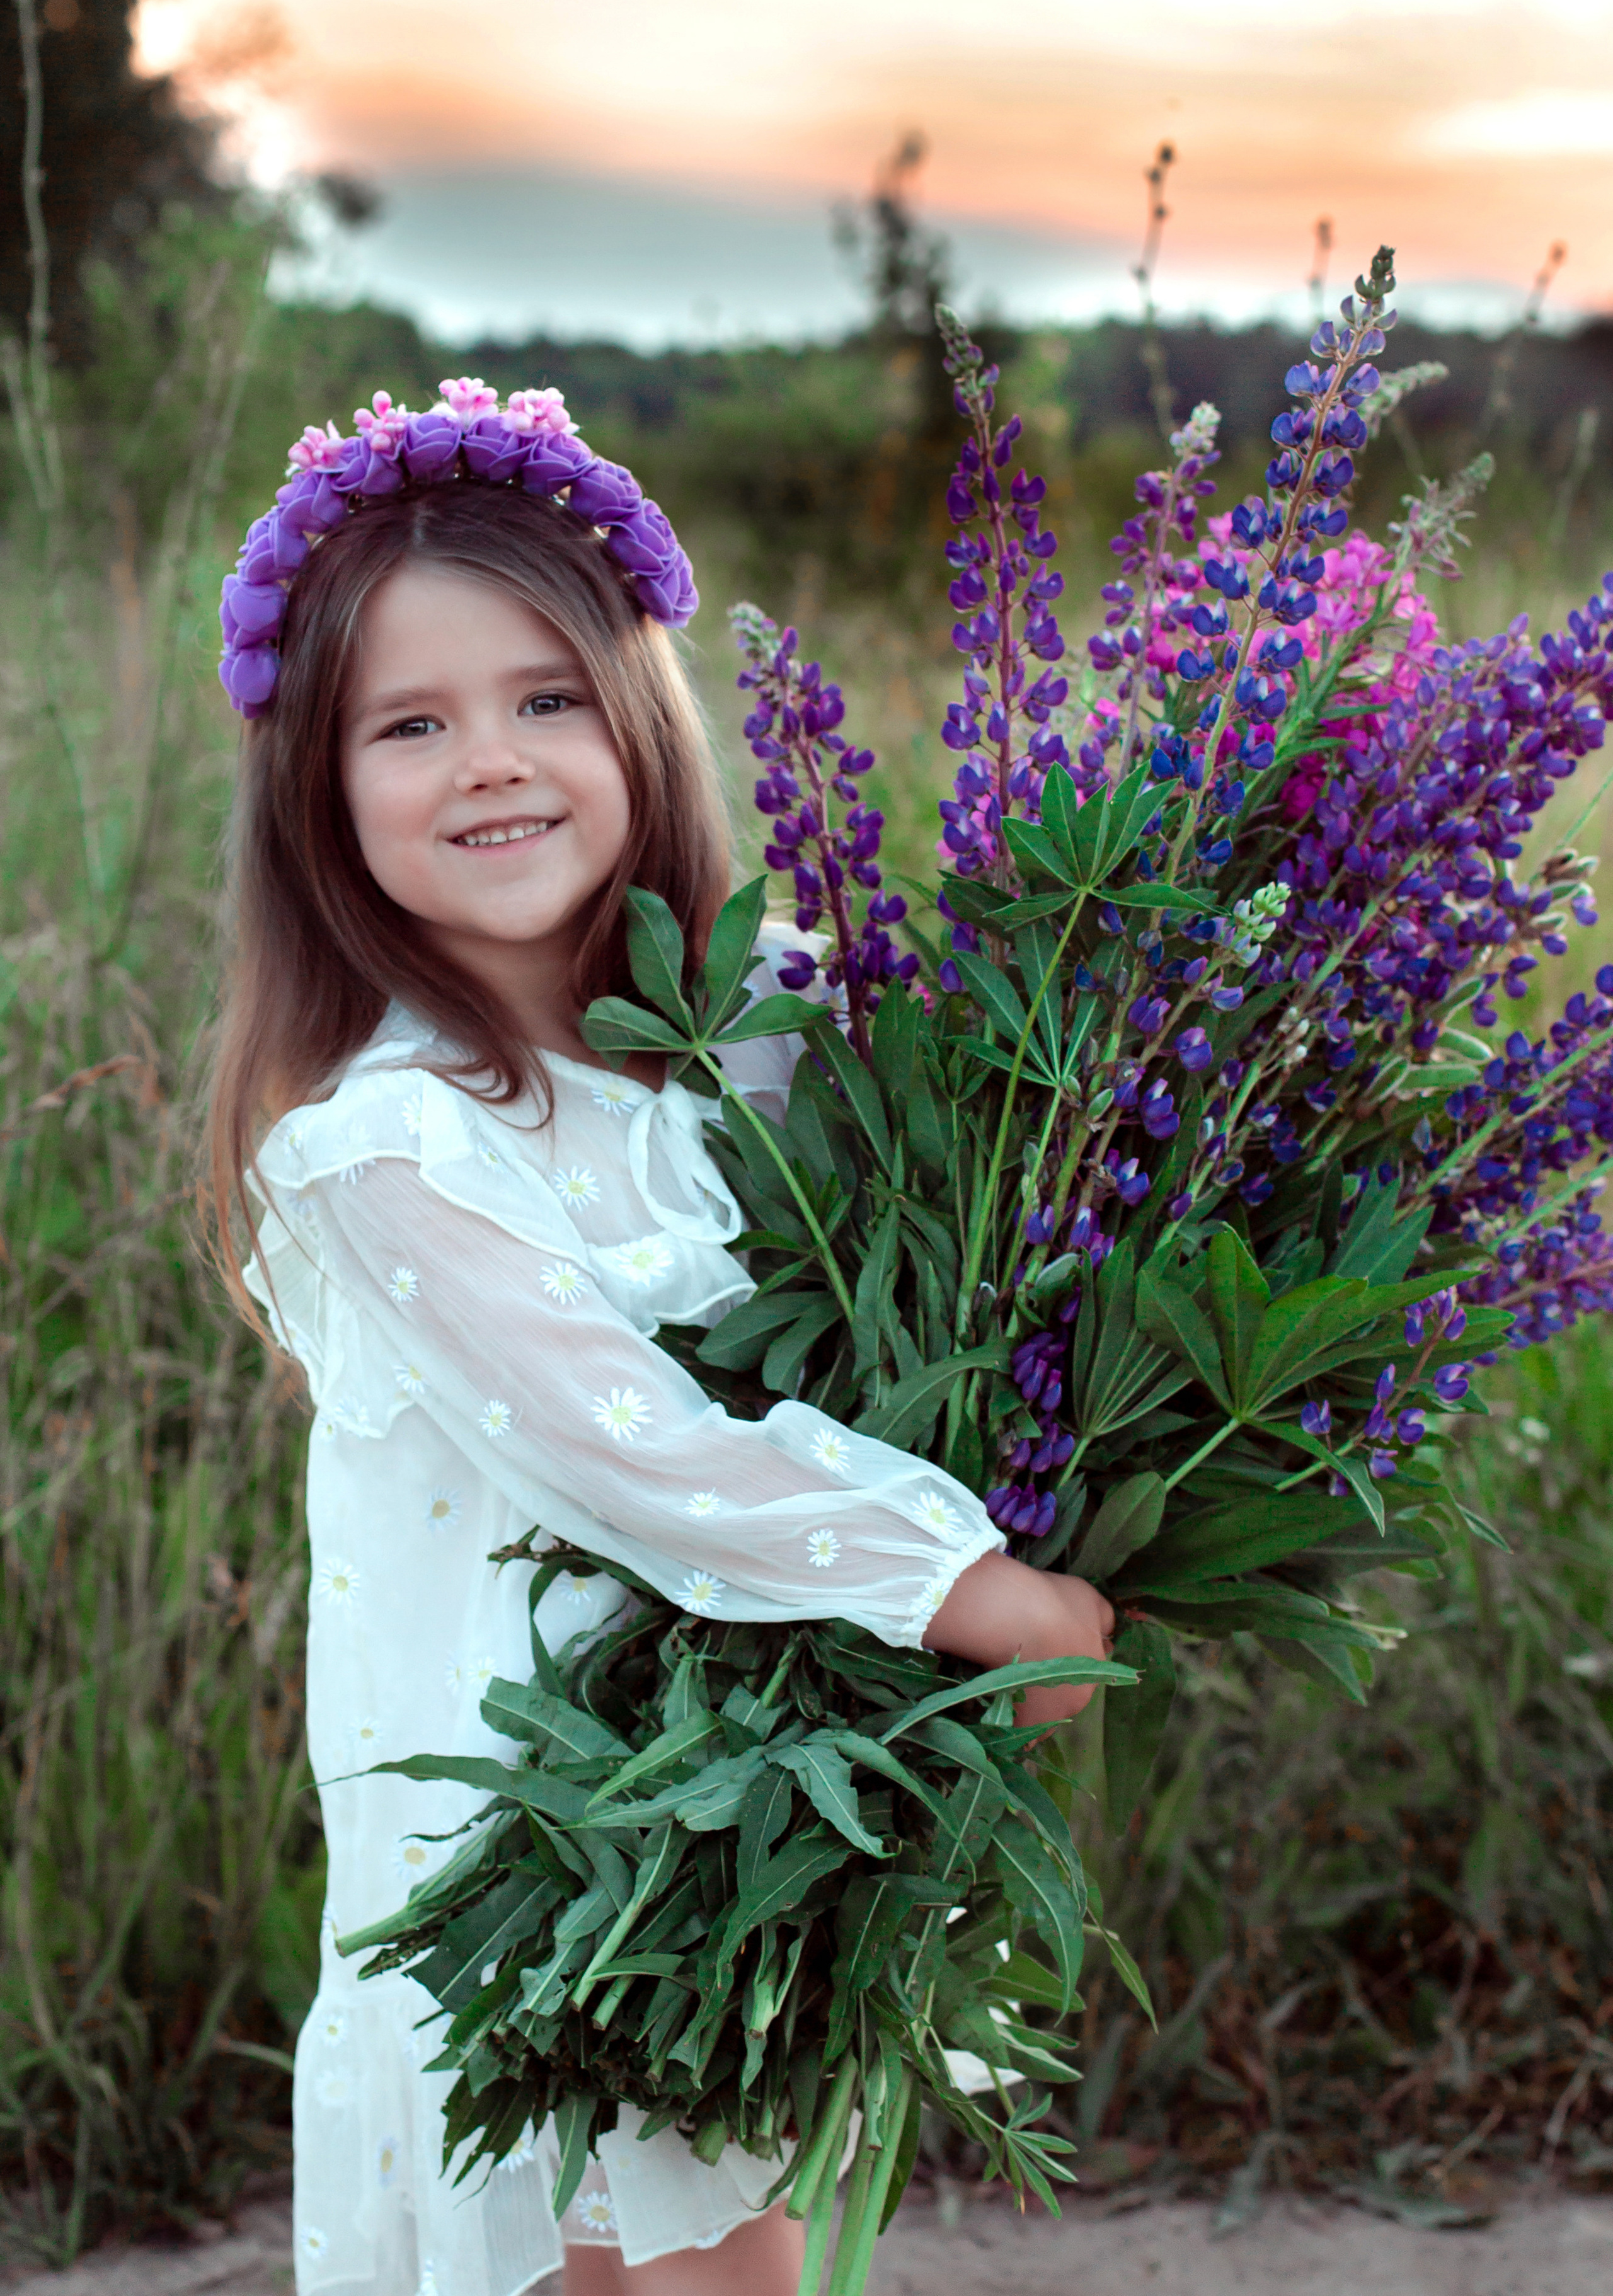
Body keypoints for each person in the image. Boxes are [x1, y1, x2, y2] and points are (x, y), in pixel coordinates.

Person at [205, 383, 1115, 2296]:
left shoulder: (772, 1023)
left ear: (637, 715)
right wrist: (966, 1586)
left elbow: (975, 1244)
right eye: (409, 725)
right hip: (546, 1863)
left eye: (545, 697)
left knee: (742, 2254)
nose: (491, 762)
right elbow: (636, 1450)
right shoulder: (386, 1144)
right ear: (319, 790)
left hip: (756, 1815)